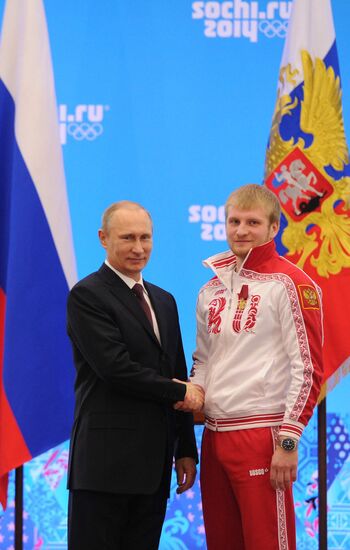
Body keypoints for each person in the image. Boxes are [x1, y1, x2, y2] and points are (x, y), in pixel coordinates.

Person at [189, 184, 323, 550]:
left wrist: (288, 439)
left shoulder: (291, 284)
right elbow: (202, 359)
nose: (241, 230)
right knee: (223, 541)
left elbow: (308, 369)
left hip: (261, 435)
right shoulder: (209, 290)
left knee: (267, 543)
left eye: (252, 222)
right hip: (214, 436)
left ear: (273, 227)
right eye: (234, 221)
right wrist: (192, 396)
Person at [66, 200, 203, 550]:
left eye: (145, 237)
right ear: (103, 238)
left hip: (153, 470)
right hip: (103, 467)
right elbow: (115, 368)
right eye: (127, 238)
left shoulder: (164, 300)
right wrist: (180, 392)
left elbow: (176, 372)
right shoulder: (87, 295)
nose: (138, 248)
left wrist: (186, 448)